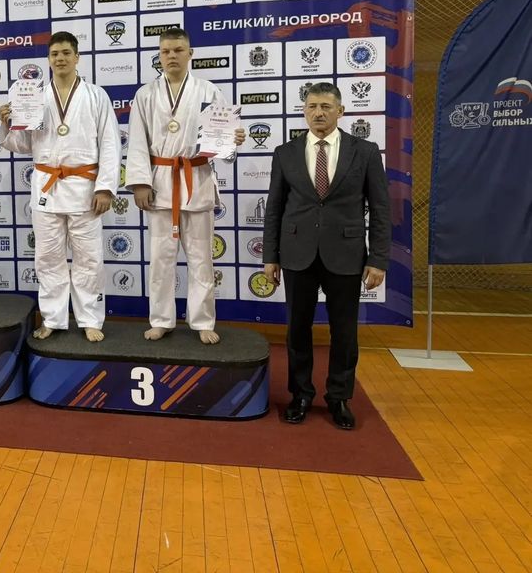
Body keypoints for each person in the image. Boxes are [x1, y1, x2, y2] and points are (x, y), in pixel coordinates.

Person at [263, 82, 389, 430]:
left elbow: (381, 209)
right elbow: (274, 208)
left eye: (326, 107)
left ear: (340, 111)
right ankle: (301, 394)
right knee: (297, 330)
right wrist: (271, 256)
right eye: (312, 107)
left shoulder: (365, 152)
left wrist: (378, 259)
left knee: (344, 332)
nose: (318, 113)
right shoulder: (285, 153)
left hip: (346, 254)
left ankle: (339, 397)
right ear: (305, 111)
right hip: (296, 254)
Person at [0, 31, 120, 342]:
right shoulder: (34, 97)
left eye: (66, 53)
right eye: (54, 54)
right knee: (48, 257)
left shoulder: (96, 96)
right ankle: (52, 317)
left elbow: (110, 144)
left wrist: (105, 188)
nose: (60, 59)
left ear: (77, 57)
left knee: (89, 258)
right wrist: (7, 121)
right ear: (48, 59)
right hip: (47, 188)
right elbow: (22, 144)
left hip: (85, 188)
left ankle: (90, 319)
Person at [126, 28, 245, 345]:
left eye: (178, 50)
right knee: (160, 258)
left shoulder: (209, 91)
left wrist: (232, 142)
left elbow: (222, 148)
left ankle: (202, 320)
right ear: (159, 56)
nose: (172, 56)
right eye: (166, 51)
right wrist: (140, 183)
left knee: (201, 257)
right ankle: (161, 319)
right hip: (160, 182)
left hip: (197, 178)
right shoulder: (145, 94)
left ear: (190, 54)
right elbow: (137, 141)